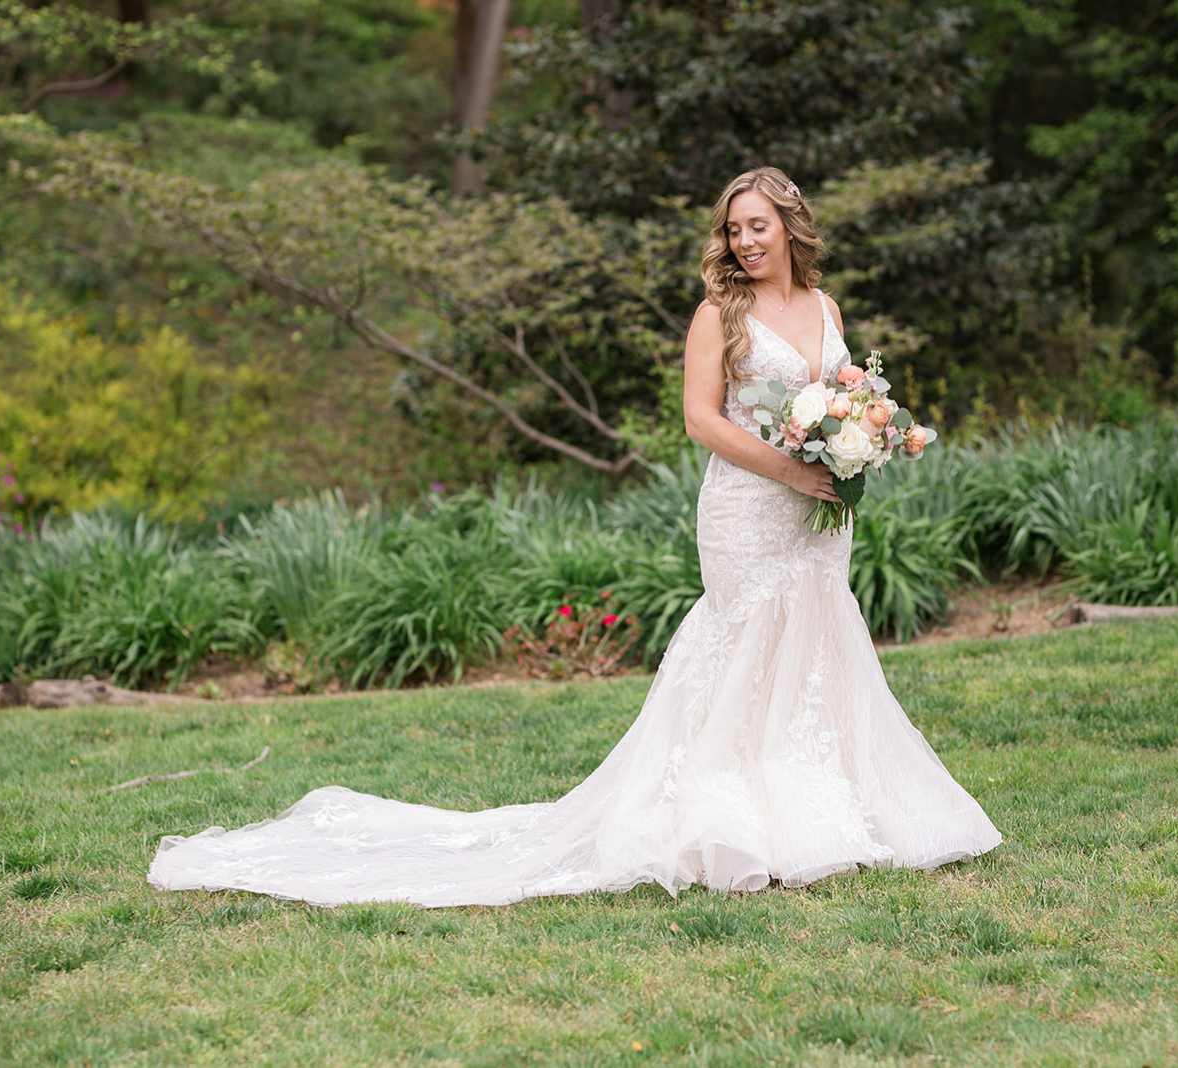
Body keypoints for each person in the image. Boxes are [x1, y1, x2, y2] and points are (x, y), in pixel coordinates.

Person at [148, 167, 1002, 907]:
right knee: (744, 642)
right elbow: (700, 418)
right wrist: (789, 469)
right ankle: (724, 816)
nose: (743, 241)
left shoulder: (824, 304)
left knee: (815, 642)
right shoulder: (719, 314)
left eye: (757, 227)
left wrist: (856, 437)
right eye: (732, 229)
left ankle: (828, 805)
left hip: (820, 514)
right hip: (749, 503)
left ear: (789, 227)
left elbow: (842, 389)